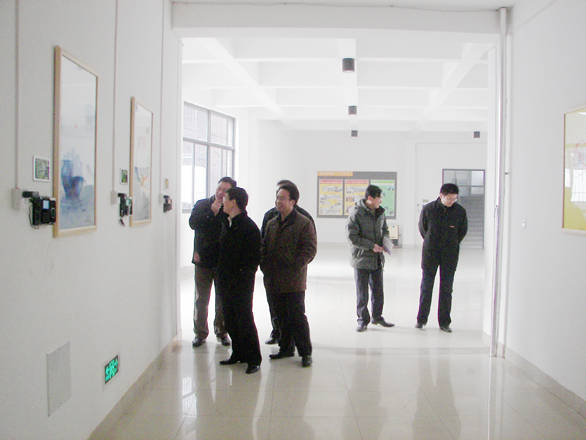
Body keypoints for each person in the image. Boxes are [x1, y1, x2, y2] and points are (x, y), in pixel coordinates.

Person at [261, 183, 317, 368]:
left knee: (297, 316)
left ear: (293, 201)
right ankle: (285, 348)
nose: (278, 201)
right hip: (273, 279)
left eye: (282, 198)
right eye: (277, 198)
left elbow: (309, 250)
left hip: (293, 280)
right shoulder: (272, 223)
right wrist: (265, 266)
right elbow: (264, 247)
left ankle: (305, 352)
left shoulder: (303, 222)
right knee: (280, 316)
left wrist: (294, 266)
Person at [217, 187, 263, 374]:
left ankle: (253, 359)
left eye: (225, 198)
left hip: (241, 283)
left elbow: (253, 260)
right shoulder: (227, 223)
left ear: (234, 202)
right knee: (229, 319)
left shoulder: (249, 228)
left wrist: (240, 276)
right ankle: (238, 353)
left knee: (244, 319)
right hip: (225, 281)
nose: (223, 202)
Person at [189, 177, 236, 348]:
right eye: (219, 188)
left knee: (222, 299)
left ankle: (222, 332)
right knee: (201, 298)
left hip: (223, 261)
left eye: (225, 190)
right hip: (203, 260)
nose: (220, 192)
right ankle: (200, 333)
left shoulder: (230, 208)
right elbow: (193, 223)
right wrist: (212, 213)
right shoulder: (202, 205)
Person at [416, 183, 468, 333]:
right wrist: (432, 241)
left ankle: (444, 322)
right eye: (449, 198)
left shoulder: (460, 211)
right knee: (426, 287)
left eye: (454, 199)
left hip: (450, 254)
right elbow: (423, 229)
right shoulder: (429, 209)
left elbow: (462, 231)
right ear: (441, 196)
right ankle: (421, 319)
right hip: (430, 253)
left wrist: (452, 242)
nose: (452, 201)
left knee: (446, 289)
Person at [347, 184, 395, 332]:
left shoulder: (380, 212)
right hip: (361, 259)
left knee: (378, 291)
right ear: (370, 198)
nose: (381, 200)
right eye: (379, 197)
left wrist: (385, 242)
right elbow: (352, 237)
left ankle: (377, 317)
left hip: (377, 258)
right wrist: (371, 246)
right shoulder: (356, 213)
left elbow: (385, 229)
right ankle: (362, 320)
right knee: (362, 293)